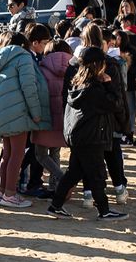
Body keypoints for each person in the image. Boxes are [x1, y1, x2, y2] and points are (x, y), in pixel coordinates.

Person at [46, 47, 127, 221]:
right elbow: (115, 104)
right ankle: (104, 211)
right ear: (97, 65)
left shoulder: (77, 84)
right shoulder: (94, 89)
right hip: (90, 137)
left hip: (79, 136)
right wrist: (108, 84)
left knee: (75, 172)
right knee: (97, 174)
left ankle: (55, 205)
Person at [0, 30, 47, 209]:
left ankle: (3, 191)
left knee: (7, 153)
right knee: (17, 155)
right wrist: (36, 113)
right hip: (19, 111)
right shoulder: (24, 58)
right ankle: (10, 194)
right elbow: (29, 87)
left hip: (2, 112)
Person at [28, 28, 71, 197]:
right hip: (64, 117)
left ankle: (62, 178)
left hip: (45, 118)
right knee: (55, 152)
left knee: (40, 154)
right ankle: (55, 186)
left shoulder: (41, 69)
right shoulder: (72, 68)